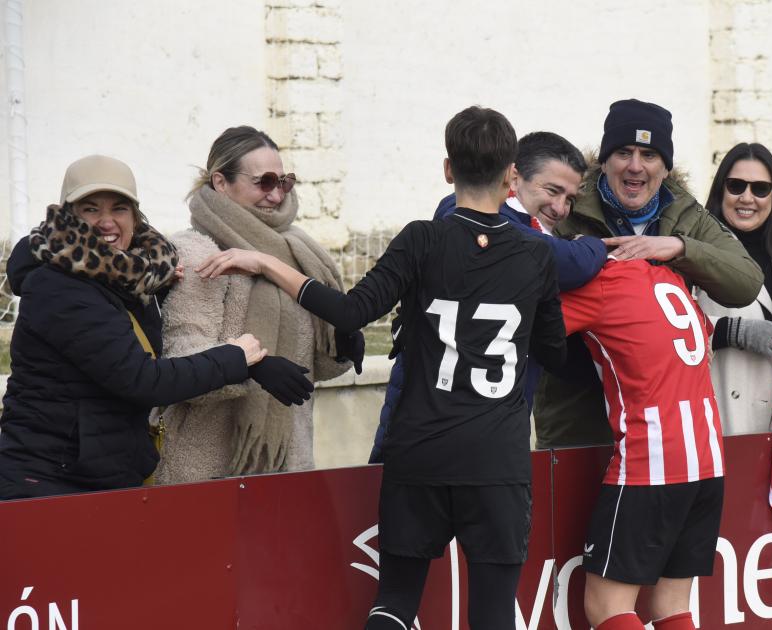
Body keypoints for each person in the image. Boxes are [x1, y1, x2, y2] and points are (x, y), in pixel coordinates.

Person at [195, 107, 567, 629]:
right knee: (492, 614)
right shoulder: (536, 255)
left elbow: (349, 311)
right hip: (496, 460)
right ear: (512, 176)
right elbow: (555, 353)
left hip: (421, 451)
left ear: (446, 169)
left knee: (394, 605)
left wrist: (264, 261)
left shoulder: (422, 238)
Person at [0, 155, 307, 500]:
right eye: (90, 209)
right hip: (48, 482)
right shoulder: (59, 287)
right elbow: (141, 380)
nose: (106, 221)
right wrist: (236, 359)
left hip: (97, 475)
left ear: (134, 216)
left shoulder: (129, 275)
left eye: (119, 208)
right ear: (68, 219)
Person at [535, 99, 763, 449]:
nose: (635, 167)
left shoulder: (687, 215)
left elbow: (746, 281)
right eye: (624, 152)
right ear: (605, 159)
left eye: (649, 155)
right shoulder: (567, 207)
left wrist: (679, 248)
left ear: (666, 167)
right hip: (580, 418)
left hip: (664, 422)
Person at [370, 131, 604, 462]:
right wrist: (593, 245)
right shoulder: (465, 213)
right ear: (513, 176)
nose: (561, 207)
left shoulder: (533, 230)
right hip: (429, 428)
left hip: (491, 427)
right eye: (552, 191)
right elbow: (568, 263)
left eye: (570, 199)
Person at [154, 126, 356, 483]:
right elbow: (181, 354)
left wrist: (339, 348)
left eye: (284, 182)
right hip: (210, 467)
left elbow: (311, 370)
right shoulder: (198, 252)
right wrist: (250, 365)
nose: (276, 195)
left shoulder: (300, 252)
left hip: (288, 462)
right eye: (264, 182)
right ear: (221, 182)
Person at [559, 259, 723, 630]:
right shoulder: (671, 277)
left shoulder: (601, 282)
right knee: (672, 606)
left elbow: (529, 326)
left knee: (608, 608)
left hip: (652, 460)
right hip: (707, 457)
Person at [694, 142, 772, 435]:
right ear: (721, 190)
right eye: (736, 186)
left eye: (760, 189)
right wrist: (731, 332)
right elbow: (669, 329)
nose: (747, 198)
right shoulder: (693, 251)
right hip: (720, 417)